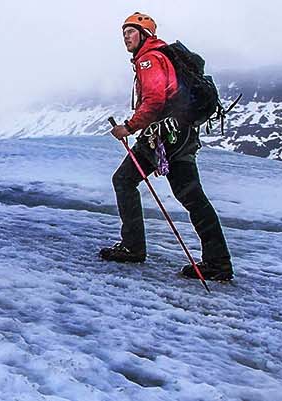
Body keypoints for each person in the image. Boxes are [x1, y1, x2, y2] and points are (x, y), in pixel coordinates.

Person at [99, 12, 235, 281]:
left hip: (164, 136)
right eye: (124, 32)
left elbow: (154, 100)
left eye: (131, 31)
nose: (125, 36)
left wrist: (128, 127)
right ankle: (218, 262)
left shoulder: (149, 58)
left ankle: (133, 247)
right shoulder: (161, 55)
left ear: (145, 35)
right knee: (192, 196)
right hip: (181, 134)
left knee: (124, 181)